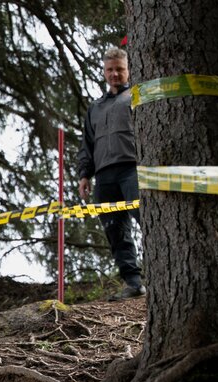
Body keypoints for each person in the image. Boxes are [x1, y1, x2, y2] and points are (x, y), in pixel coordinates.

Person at [76, 47, 146, 301]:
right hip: (104, 176)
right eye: (110, 70)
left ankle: (164, 275)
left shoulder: (138, 97)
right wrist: (85, 175)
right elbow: (87, 145)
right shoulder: (95, 108)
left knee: (148, 221)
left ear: (128, 70)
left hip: (133, 169)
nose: (115, 74)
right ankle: (133, 282)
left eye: (119, 69)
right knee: (115, 230)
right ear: (104, 72)